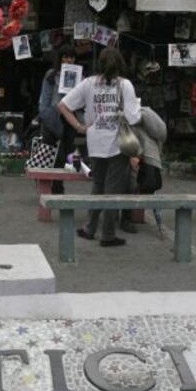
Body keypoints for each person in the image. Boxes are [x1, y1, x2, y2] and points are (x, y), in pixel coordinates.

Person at [59, 47, 141, 247]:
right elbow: (133, 117)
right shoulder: (126, 85)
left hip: (94, 141)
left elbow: (63, 105)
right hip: (118, 143)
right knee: (113, 190)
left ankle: (90, 228)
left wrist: (79, 126)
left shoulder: (88, 83)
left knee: (98, 186)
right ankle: (108, 234)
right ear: (120, 64)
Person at [37, 45, 80, 192]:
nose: (69, 60)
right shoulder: (51, 75)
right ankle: (47, 186)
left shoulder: (80, 76)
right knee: (49, 152)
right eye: (65, 57)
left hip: (70, 117)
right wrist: (46, 115)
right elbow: (45, 98)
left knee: (65, 153)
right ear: (60, 59)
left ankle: (58, 185)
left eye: (72, 57)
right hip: (53, 116)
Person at [120, 106, 167, 234]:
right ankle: (126, 217)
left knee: (130, 181)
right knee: (132, 181)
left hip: (140, 156)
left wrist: (135, 155)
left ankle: (126, 217)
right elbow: (161, 134)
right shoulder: (146, 114)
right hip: (145, 156)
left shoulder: (135, 116)